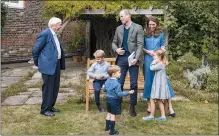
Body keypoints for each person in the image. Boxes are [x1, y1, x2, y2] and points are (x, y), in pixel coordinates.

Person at [112, 9, 144, 117]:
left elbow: (140, 45)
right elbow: (114, 43)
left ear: (128, 16)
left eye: (121, 16)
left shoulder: (138, 27)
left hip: (133, 59)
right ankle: (118, 105)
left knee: (133, 83)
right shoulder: (118, 29)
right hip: (121, 59)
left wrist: (137, 57)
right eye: (120, 17)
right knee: (119, 83)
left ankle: (132, 106)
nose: (120, 18)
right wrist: (116, 50)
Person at [142, 16, 175, 117]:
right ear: (147, 24)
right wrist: (148, 51)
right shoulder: (144, 33)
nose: (151, 26)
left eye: (153, 24)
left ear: (157, 24)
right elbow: (141, 46)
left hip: (158, 59)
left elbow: (162, 46)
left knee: (164, 81)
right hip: (148, 59)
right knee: (149, 81)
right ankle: (149, 104)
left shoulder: (161, 34)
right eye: (150, 24)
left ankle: (170, 106)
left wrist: (160, 52)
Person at [32, 17, 65, 116]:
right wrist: (39, 63)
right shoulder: (45, 34)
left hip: (56, 64)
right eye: (59, 24)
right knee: (48, 88)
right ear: (53, 26)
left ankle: (50, 106)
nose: (60, 26)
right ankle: (44, 110)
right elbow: (35, 50)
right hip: (48, 65)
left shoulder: (55, 34)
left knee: (55, 87)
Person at [103, 65, 134, 135]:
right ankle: (112, 131)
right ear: (114, 74)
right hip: (114, 101)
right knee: (113, 115)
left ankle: (107, 127)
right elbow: (119, 94)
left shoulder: (107, 81)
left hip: (108, 99)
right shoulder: (117, 84)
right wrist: (128, 92)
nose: (120, 73)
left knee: (109, 113)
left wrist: (103, 87)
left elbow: (104, 89)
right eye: (119, 72)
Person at [143, 49, 171, 121]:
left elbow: (151, 68)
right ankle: (163, 116)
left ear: (159, 57)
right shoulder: (162, 63)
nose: (153, 57)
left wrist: (153, 62)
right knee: (159, 100)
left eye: (155, 55)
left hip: (159, 85)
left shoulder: (160, 64)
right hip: (159, 84)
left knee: (152, 99)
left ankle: (151, 116)